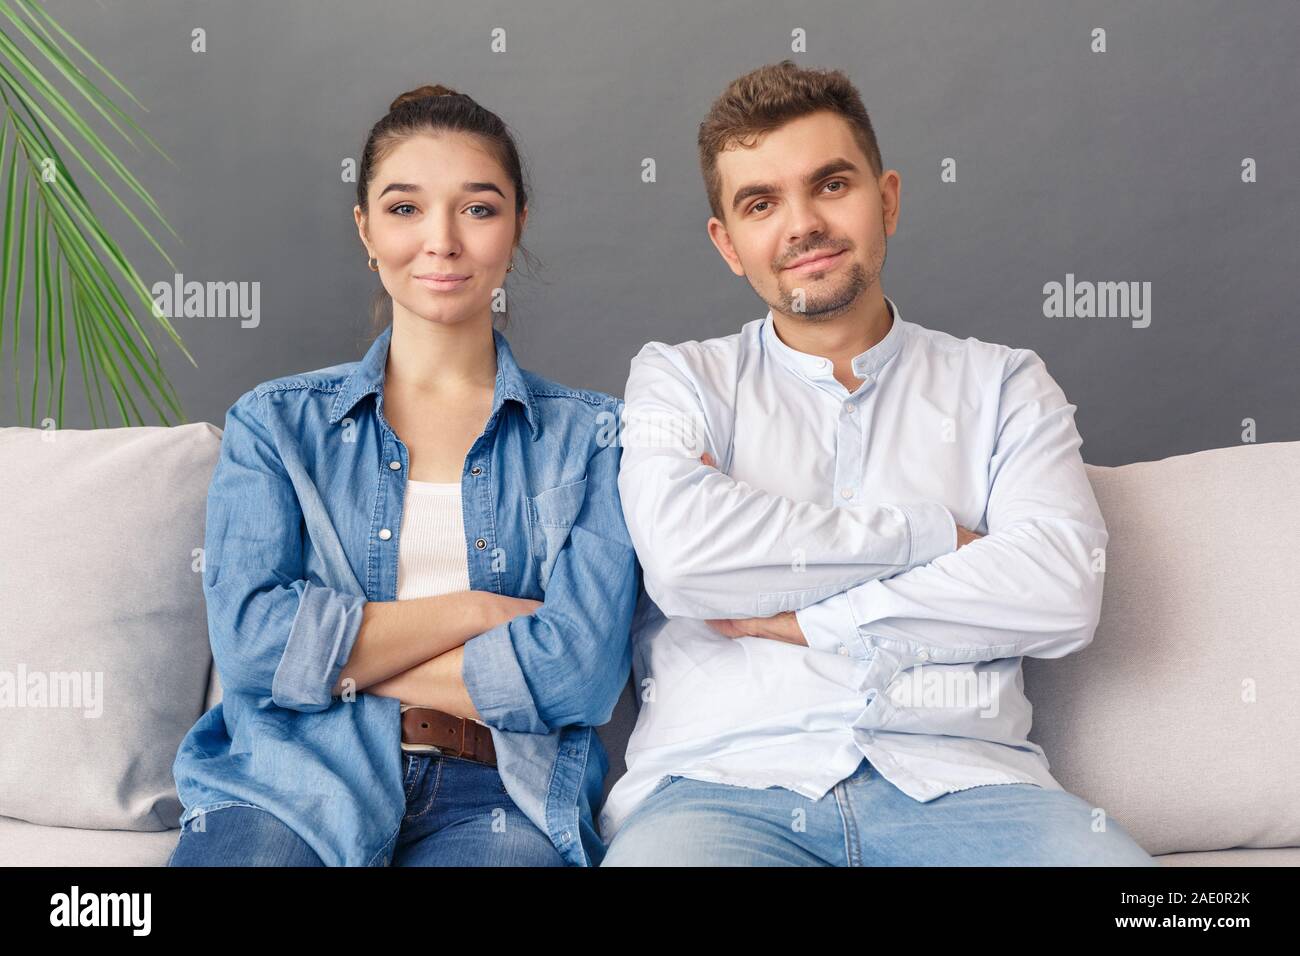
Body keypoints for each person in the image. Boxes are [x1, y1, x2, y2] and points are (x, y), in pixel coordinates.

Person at [600, 60, 1157, 866]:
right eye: (762, 204)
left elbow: (1063, 590)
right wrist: (933, 534)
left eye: (831, 186)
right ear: (728, 243)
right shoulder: (680, 378)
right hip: (724, 793)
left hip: (971, 788)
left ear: (886, 198)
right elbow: (688, 565)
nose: (802, 225)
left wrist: (800, 620)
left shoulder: (1004, 383)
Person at [168, 84, 639, 867]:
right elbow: (253, 647)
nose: (442, 241)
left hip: (498, 792)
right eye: (405, 208)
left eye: (479, 208)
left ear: (517, 225)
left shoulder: (592, 435)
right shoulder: (275, 423)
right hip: (293, 778)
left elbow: (579, 675)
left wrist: (332, 663)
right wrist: (482, 610)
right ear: (366, 229)